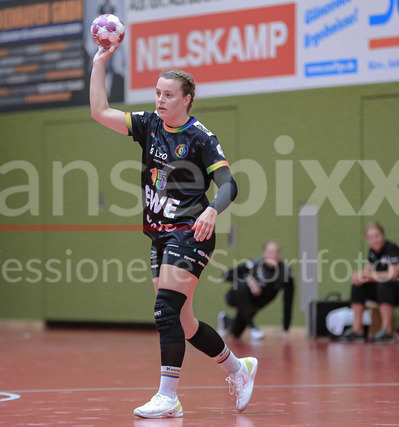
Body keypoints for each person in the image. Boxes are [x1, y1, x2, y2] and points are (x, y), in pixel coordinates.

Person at [90, 44, 258, 418]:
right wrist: (100, 62)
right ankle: (239, 368)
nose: (160, 100)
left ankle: (168, 397)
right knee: (183, 321)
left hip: (191, 232)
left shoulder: (200, 138)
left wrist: (213, 210)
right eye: (157, 93)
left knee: (165, 310)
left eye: (168, 95)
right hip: (160, 234)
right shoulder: (149, 125)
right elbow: (100, 112)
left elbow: (229, 184)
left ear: (187, 99)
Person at [340, 222, 399, 343]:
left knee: (385, 283)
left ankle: (387, 331)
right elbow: (367, 273)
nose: (374, 240)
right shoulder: (372, 252)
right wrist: (359, 276)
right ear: (367, 240)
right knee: (359, 285)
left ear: (383, 235)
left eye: (377, 236)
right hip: (390, 292)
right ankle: (357, 329)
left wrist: (366, 275)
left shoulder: (392, 249)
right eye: (371, 238)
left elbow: (393, 275)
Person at [217, 240, 294, 340]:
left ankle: (225, 320)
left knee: (236, 332)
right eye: (270, 252)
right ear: (264, 253)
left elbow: (288, 299)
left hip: (253, 304)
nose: (273, 255)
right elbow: (226, 275)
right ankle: (253, 327)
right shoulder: (254, 265)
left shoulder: (285, 272)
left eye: (276, 252)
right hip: (235, 296)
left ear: (280, 254)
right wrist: (248, 278)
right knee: (243, 284)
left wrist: (285, 328)